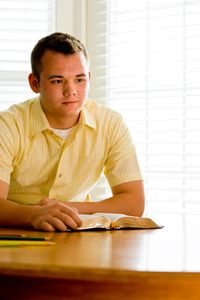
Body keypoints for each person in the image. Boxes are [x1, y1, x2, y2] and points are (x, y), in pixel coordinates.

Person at [0, 32, 144, 232]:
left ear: (90, 78)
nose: (71, 91)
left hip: (77, 234)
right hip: (15, 236)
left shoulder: (111, 123)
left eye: (79, 79)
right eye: (57, 81)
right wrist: (33, 214)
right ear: (34, 83)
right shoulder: (8, 125)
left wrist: (67, 210)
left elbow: (134, 202)